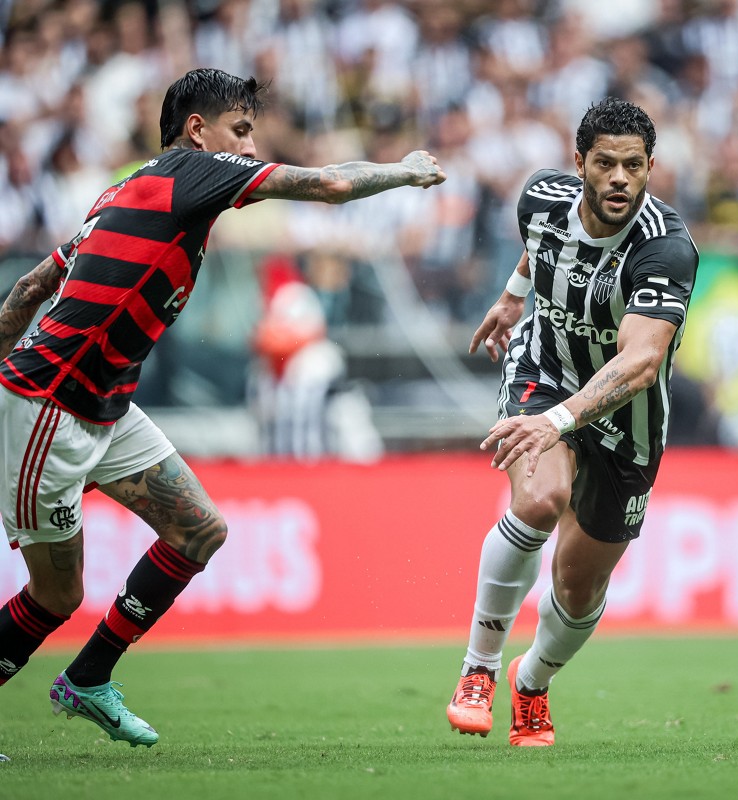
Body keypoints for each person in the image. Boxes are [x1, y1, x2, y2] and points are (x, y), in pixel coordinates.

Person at [0, 67, 444, 751]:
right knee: (56, 596)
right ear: (197, 130)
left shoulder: (128, 190)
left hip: (106, 407)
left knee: (199, 530)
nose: (250, 146)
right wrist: (406, 171)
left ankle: (87, 678)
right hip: (49, 403)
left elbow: (33, 285)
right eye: (240, 130)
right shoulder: (192, 171)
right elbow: (329, 185)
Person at [445, 97, 698, 746]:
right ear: (578, 162)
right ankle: (479, 669)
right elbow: (538, 249)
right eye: (606, 163)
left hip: (627, 416)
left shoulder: (665, 249)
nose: (620, 179)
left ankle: (531, 682)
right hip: (546, 369)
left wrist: (559, 421)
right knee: (540, 499)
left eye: (634, 166)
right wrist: (512, 298)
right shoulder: (539, 198)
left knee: (579, 584)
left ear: (650, 168)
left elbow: (640, 363)